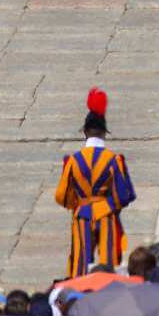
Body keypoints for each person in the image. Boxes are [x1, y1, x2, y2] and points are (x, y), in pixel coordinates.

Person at [55, 88, 136, 277]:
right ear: (104, 133)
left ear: (84, 132)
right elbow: (124, 195)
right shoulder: (113, 159)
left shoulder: (74, 161)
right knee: (108, 262)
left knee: (80, 263)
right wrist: (109, 205)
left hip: (82, 213)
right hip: (106, 213)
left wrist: (75, 204)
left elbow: (61, 195)